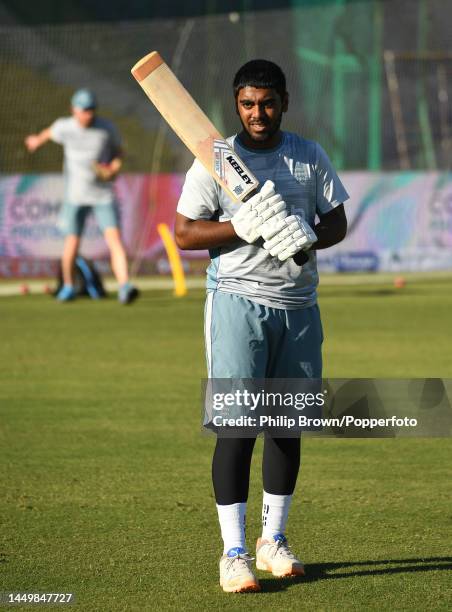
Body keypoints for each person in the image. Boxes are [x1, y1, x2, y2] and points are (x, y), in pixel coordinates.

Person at [175, 60, 348, 593]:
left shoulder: (307, 156)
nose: (258, 113)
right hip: (238, 304)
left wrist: (309, 235)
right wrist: (237, 226)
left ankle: (273, 540)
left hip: (299, 307)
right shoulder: (216, 160)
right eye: (248, 104)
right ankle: (232, 552)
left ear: (284, 103)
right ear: (237, 104)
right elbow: (184, 232)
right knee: (236, 427)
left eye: (267, 103)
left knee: (287, 426)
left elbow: (337, 220)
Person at [25, 88, 139, 304]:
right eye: (84, 110)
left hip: (102, 195)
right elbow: (49, 133)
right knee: (71, 243)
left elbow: (119, 151)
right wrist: (36, 141)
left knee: (115, 241)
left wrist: (114, 167)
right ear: (73, 110)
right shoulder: (64, 127)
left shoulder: (107, 128)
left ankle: (125, 286)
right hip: (75, 196)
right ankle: (68, 287)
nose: (88, 114)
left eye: (91, 110)